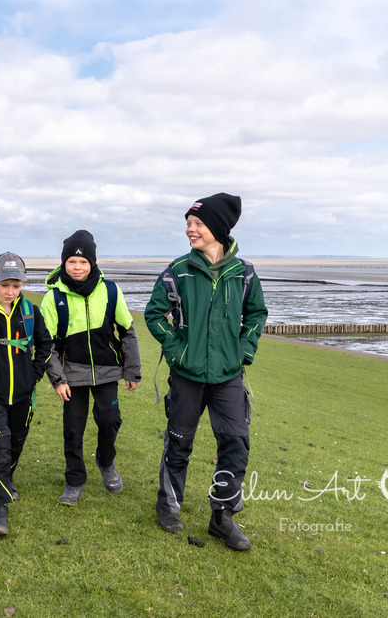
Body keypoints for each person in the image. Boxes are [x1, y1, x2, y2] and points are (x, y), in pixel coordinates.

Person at [144, 193, 268, 551]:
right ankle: (168, 507)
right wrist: (177, 349)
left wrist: (244, 349)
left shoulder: (243, 273)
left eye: (197, 223)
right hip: (187, 373)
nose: (189, 229)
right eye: (189, 223)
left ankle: (223, 517)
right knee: (179, 442)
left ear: (218, 228)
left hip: (228, 375)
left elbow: (257, 314)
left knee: (235, 443)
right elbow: (155, 314)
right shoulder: (178, 270)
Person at [40, 230, 141, 506]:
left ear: (93, 263)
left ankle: (106, 461)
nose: (77, 267)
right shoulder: (53, 298)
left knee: (109, 420)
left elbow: (127, 331)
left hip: (108, 371)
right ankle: (74, 481)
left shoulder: (110, 290)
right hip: (71, 374)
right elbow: (45, 343)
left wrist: (132, 371)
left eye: (83, 262)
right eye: (72, 261)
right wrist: (57, 379)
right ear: (63, 263)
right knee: (73, 429)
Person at [0, 252, 55, 537]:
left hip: (23, 397)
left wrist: (35, 375)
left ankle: (5, 477)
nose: (10, 291)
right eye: (4, 284)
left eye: (16, 285)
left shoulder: (30, 312)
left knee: (15, 445)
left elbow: (45, 345)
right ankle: (0, 509)